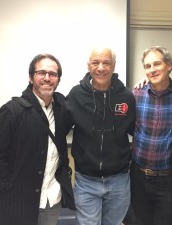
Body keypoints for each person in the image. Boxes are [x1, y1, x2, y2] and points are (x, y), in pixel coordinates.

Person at [0, 53, 76, 225]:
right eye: (41, 73)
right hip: (18, 204)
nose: (47, 78)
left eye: (53, 74)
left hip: (51, 200)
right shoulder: (11, 111)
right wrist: (8, 190)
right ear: (31, 77)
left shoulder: (62, 108)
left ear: (58, 80)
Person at [65, 47, 136, 225]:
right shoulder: (76, 95)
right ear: (88, 66)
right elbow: (59, 128)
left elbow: (138, 131)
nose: (101, 68)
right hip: (86, 180)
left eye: (106, 63)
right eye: (96, 62)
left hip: (119, 179)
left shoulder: (126, 96)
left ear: (113, 66)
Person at [131, 46, 172, 225]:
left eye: (157, 64)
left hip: (168, 179)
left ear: (169, 65)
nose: (152, 70)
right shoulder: (136, 94)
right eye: (147, 66)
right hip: (138, 176)